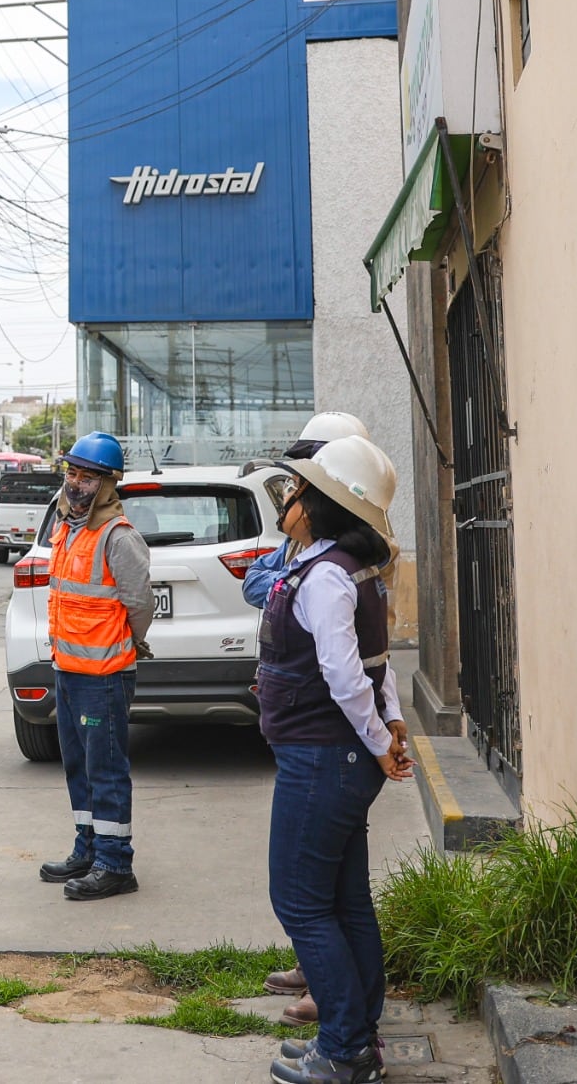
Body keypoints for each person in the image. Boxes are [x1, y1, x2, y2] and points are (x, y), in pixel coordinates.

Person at [260, 434, 411, 1084]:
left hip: (323, 760)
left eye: (298, 489)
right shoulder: (352, 567)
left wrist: (383, 744)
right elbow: (377, 668)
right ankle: (357, 1037)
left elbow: (347, 676)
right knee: (346, 902)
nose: (288, 497)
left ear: (320, 502)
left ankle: (346, 1047)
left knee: (299, 900)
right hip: (341, 758)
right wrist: (391, 724)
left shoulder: (323, 575)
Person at [39, 431, 155, 901]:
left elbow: (139, 605)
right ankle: (87, 849)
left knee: (105, 769)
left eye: (87, 477)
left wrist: (123, 644)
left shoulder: (118, 537)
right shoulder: (66, 529)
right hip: (68, 669)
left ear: (108, 485)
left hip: (104, 676)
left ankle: (115, 863)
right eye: (71, 473)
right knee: (78, 767)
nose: (76, 484)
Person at [242, 412, 371, 612]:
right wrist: (292, 581)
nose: (293, 487)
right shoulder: (303, 532)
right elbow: (252, 584)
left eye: (310, 465)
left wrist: (291, 581)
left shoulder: (367, 541)